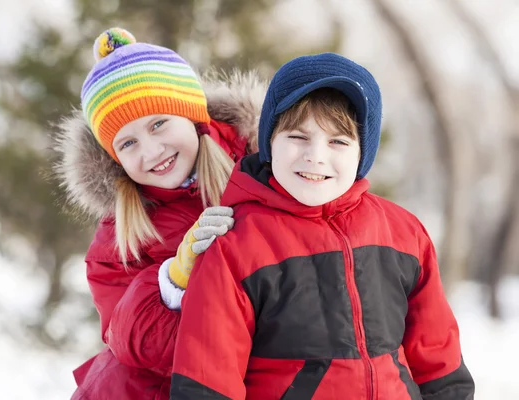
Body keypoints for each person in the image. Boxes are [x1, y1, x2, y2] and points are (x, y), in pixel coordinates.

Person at [170, 53, 475, 399]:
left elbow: (438, 357)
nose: (315, 155)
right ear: (270, 141)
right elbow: (207, 380)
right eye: (298, 137)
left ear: (362, 153)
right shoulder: (236, 245)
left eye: (338, 141)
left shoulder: (403, 233)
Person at [54, 27, 266, 399]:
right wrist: (173, 280)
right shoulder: (116, 241)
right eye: (128, 143)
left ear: (192, 115)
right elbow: (134, 339)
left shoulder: (262, 171)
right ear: (115, 157)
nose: (152, 152)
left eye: (159, 123)